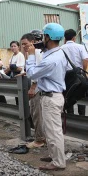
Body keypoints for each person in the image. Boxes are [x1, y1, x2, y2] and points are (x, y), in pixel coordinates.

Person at [26, 23, 67, 171]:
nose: (42, 39)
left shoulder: (51, 59)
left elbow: (31, 73)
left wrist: (30, 56)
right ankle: (54, 155)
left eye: (44, 36)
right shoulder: (57, 53)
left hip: (50, 97)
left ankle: (58, 162)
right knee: (52, 130)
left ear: (48, 37)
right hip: (52, 95)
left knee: (53, 131)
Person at [21, 32, 45, 149]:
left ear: (33, 42)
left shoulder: (37, 52)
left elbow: (39, 71)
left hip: (39, 88)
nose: (24, 46)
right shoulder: (30, 53)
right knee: (36, 113)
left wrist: (33, 86)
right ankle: (41, 137)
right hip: (39, 87)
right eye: (22, 44)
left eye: (26, 43)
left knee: (37, 114)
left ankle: (39, 140)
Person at [61, 29, 88, 116]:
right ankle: (81, 115)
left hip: (66, 76)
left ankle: (70, 117)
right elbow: (85, 59)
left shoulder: (61, 48)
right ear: (74, 37)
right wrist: (83, 71)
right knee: (80, 94)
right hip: (78, 74)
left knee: (68, 96)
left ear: (65, 38)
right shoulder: (80, 46)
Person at [5, 41, 25, 105]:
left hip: (20, 77)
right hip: (13, 77)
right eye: (11, 46)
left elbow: (20, 68)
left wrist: (11, 67)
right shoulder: (12, 56)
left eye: (14, 46)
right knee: (16, 96)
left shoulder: (20, 55)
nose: (13, 48)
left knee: (20, 97)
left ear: (18, 47)